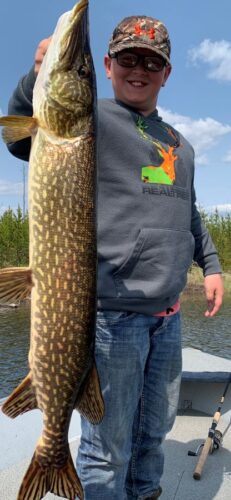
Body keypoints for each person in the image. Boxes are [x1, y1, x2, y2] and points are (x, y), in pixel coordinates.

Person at [7, 14, 224, 500]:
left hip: (167, 319)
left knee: (154, 434)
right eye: (128, 58)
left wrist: (211, 266)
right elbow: (19, 137)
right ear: (106, 65)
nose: (139, 68)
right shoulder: (89, 121)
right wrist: (36, 75)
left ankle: (145, 494)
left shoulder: (178, 144)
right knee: (108, 446)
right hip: (110, 319)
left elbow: (187, 210)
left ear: (166, 73)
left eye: (152, 60)